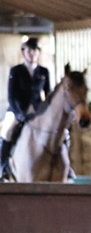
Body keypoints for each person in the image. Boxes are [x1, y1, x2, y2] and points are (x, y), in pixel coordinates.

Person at [1, 35, 52, 179]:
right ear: (24, 52)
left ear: (38, 53)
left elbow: (48, 94)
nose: (32, 54)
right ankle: (3, 166)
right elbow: (12, 96)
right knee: (7, 131)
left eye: (35, 51)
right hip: (17, 110)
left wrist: (47, 113)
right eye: (29, 51)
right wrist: (20, 114)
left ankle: (64, 164)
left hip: (37, 111)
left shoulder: (43, 72)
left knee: (60, 132)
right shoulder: (16, 71)